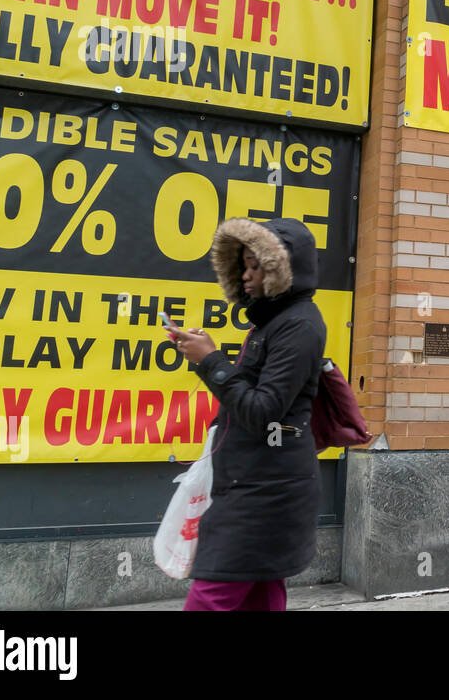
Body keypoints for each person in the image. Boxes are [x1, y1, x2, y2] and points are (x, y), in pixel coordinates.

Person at [170, 217, 326, 611]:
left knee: (211, 595)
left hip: (265, 493)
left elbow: (263, 412)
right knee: (262, 595)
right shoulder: (274, 323)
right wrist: (212, 357)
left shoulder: (299, 326)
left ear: (281, 270)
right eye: (243, 266)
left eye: (256, 266)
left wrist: (211, 362)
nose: (246, 276)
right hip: (258, 481)